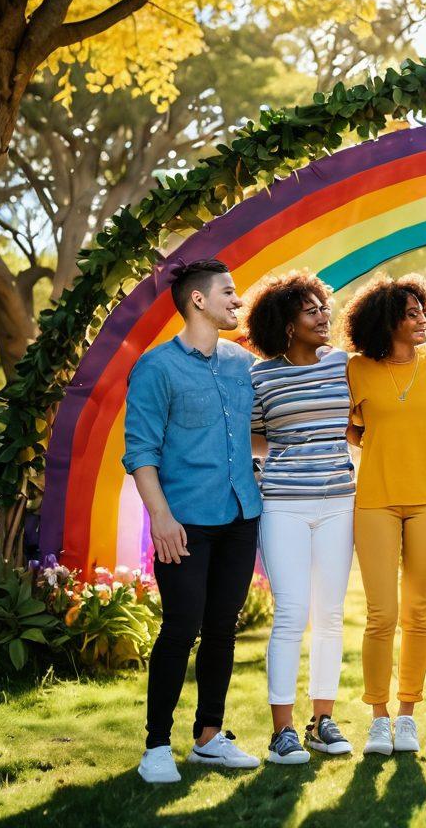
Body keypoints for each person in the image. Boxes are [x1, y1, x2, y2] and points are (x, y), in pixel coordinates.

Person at [123, 258, 263, 783]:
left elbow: (252, 435)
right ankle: (156, 746)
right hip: (184, 521)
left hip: (240, 514)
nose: (237, 300)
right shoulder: (156, 368)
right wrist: (160, 517)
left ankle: (209, 737)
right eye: (228, 292)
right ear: (198, 300)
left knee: (222, 628)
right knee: (181, 627)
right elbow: (141, 450)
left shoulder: (243, 364)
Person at [242, 272, 355, 765]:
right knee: (291, 612)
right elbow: (254, 436)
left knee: (329, 614)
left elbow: (357, 423)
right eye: (312, 311)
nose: (324, 316)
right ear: (287, 325)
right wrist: (287, 453)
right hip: (284, 504)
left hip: (339, 504)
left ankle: (322, 722)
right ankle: (282, 730)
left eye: (323, 307)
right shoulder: (261, 376)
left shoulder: (343, 365)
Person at [341, 274, 426, 756]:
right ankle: (378, 718)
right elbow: (350, 429)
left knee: (417, 613)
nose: (422, 319)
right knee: (381, 614)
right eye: (411, 314)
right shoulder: (357, 369)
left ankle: (407, 715)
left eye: (423, 311)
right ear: (386, 322)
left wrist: (419, 444)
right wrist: (380, 444)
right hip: (375, 501)